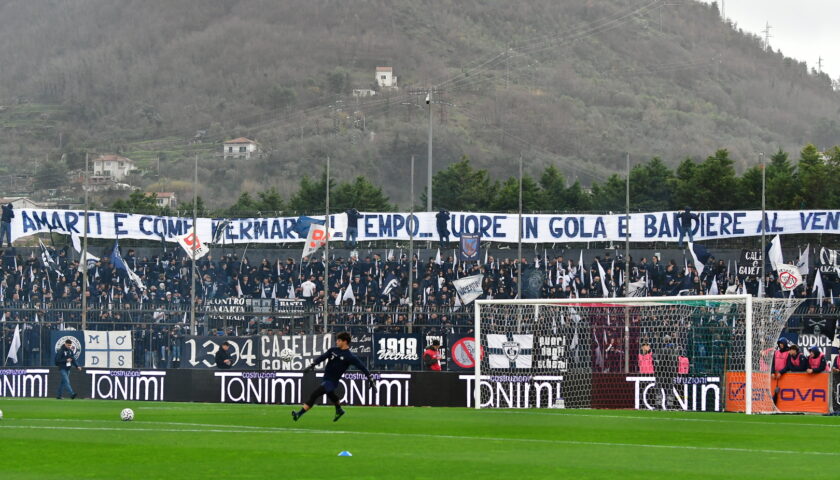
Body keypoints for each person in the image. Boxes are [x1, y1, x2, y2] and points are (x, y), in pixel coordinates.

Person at [293, 332, 373, 422]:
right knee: (331, 395)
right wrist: (313, 364)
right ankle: (339, 410)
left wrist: (369, 378)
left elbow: (362, 367)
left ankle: (298, 414)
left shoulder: (350, 356)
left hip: (332, 382)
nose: (337, 342)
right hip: (326, 378)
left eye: (339, 340)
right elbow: (322, 357)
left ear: (345, 342)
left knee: (315, 394)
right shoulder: (333, 350)